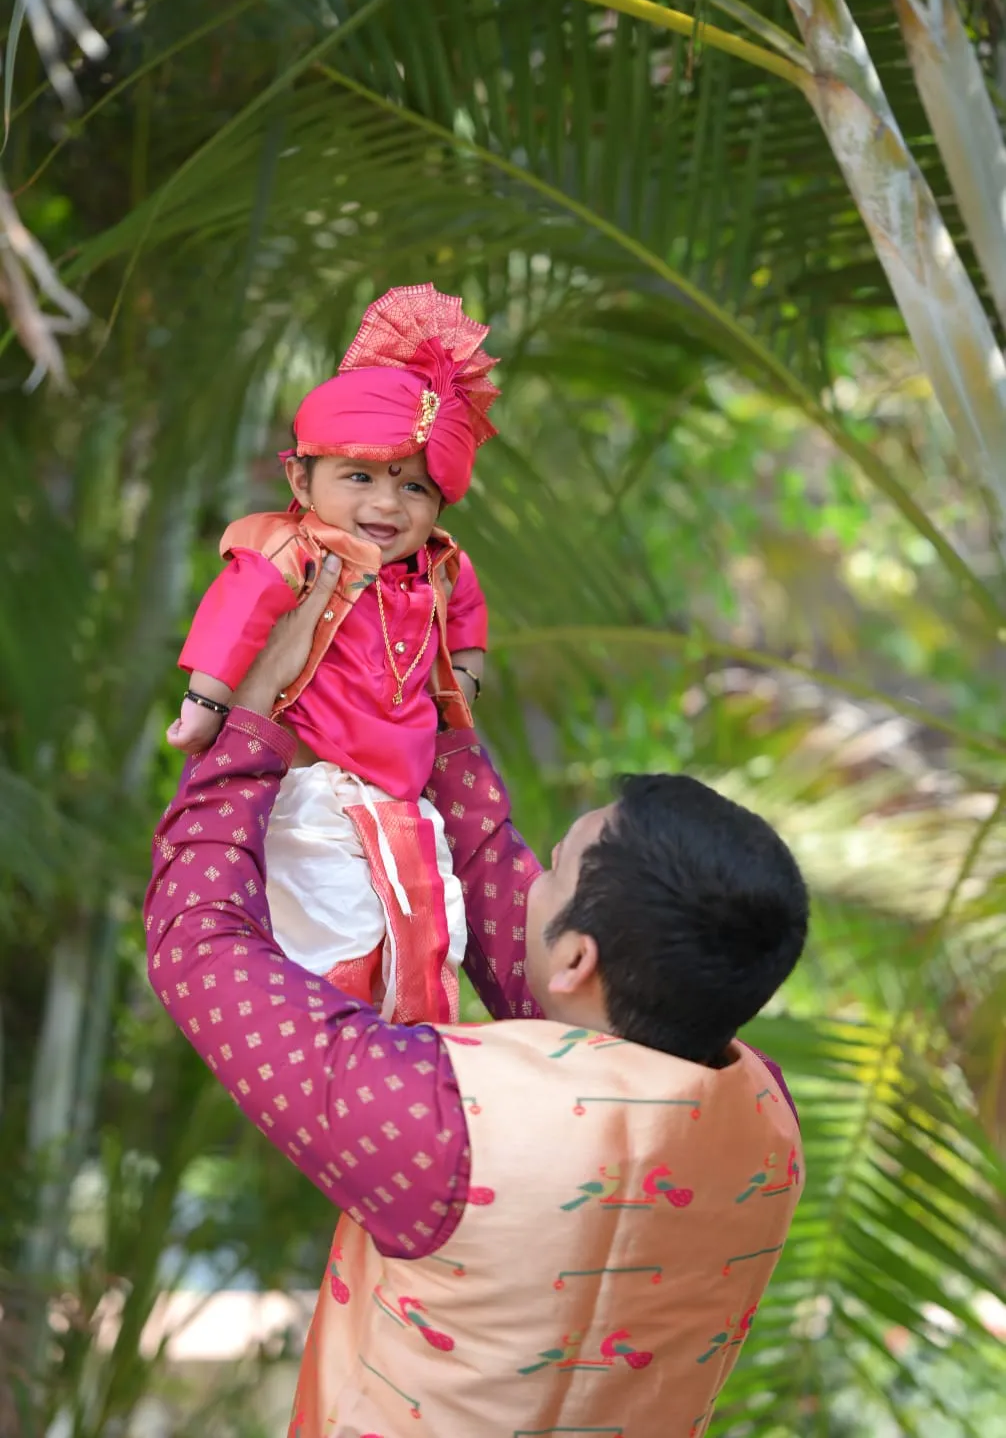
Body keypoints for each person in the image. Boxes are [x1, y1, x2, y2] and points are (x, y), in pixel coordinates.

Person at [146, 556, 809, 1438]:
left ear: (577, 960)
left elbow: (200, 944)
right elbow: (499, 875)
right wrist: (433, 705)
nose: (533, 877)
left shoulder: (445, 1125)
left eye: (559, 867)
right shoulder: (768, 1119)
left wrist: (252, 719)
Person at [166, 283, 499, 1024]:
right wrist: (206, 703)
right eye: (360, 477)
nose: (387, 506)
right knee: (335, 932)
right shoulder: (289, 550)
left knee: (426, 931)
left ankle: (412, 1049)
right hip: (310, 785)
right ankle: (331, 1048)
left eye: (413, 486)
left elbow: (468, 616)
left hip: (401, 796)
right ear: (299, 479)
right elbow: (237, 615)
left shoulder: (442, 566)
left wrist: (464, 678)